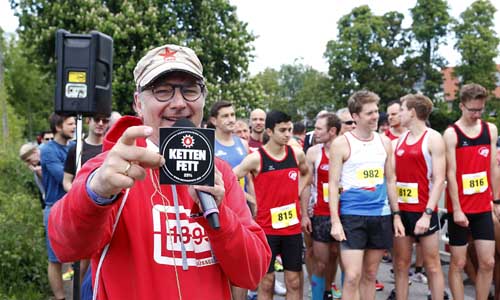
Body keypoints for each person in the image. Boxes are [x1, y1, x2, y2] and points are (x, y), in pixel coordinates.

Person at [48, 44, 271, 300]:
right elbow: (65, 246)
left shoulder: (220, 174)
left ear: (203, 98)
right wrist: (95, 193)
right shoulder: (110, 169)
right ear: (138, 104)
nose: (179, 103)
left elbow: (252, 272)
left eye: (189, 90)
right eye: (162, 91)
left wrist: (220, 215)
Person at [328, 90, 404, 300]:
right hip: (352, 216)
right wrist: (335, 221)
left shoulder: (384, 142)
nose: (375, 117)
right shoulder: (342, 144)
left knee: (370, 274)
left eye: (376, 111)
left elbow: (390, 180)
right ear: (355, 116)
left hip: (380, 215)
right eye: (369, 113)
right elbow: (333, 184)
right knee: (352, 276)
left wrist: (396, 215)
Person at [234, 110, 310, 300]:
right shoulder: (256, 158)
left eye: (290, 129)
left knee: (294, 281)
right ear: (269, 131)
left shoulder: (296, 154)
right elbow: (231, 178)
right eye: (282, 130)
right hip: (266, 229)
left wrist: (297, 191)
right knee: (266, 283)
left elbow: (307, 172)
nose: (287, 134)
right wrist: (248, 200)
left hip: (291, 229)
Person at [443, 83, 500, 300]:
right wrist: (456, 209)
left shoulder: (490, 130)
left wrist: (496, 200)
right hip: (460, 208)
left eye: (480, 109)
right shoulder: (451, 134)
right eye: (472, 110)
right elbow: (451, 173)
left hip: (482, 207)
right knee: (458, 263)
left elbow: (493, 167)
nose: (476, 114)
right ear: (461, 106)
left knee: (488, 262)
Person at [391, 94, 446, 300]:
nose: (400, 114)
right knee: (401, 264)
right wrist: (396, 212)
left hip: (424, 210)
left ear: (413, 112)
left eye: (402, 110)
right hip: (403, 211)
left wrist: (427, 213)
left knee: (432, 265)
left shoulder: (433, 138)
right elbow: (393, 176)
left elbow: (439, 179)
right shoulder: (399, 141)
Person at [209, 100, 254, 300]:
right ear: (214, 120)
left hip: (240, 211)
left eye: (233, 115)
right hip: (218, 212)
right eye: (225, 116)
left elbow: (248, 177)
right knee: (219, 267)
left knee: (241, 266)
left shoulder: (242, 143)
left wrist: (253, 201)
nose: (231, 120)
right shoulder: (208, 143)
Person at [62, 114, 110, 290]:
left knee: (101, 260)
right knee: (81, 262)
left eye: (105, 121)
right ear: (88, 121)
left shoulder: (110, 149)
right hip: (82, 210)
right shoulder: (77, 148)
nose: (100, 124)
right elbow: (66, 181)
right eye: (97, 119)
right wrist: (80, 192)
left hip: (106, 213)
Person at [301, 113, 342, 300]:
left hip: (344, 213)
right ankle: (317, 295)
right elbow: (307, 184)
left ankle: (328, 291)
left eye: (319, 129)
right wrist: (304, 214)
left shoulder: (347, 150)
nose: (314, 132)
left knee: (335, 255)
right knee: (320, 262)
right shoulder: (313, 152)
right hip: (320, 212)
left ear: (332, 131)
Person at [42, 113, 76, 300]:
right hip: (55, 207)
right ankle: (60, 297)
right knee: (55, 259)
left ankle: (78, 290)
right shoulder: (48, 150)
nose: (74, 126)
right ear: (58, 127)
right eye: (70, 124)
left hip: (72, 207)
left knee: (80, 253)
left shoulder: (72, 148)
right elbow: (62, 178)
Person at [19, 142, 46, 208]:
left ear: (34, 152)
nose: (29, 164)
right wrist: (37, 171)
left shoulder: (47, 154)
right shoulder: (36, 166)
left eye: (28, 160)